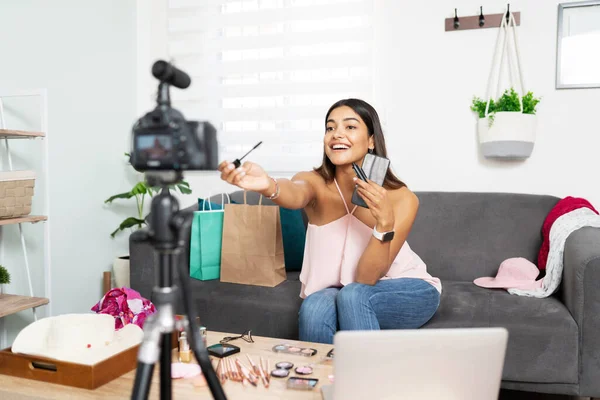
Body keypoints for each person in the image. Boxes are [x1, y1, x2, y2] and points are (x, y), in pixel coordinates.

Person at [218, 98, 441, 344]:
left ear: (371, 141)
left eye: (350, 127)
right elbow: (294, 191)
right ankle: (324, 381)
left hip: (408, 288)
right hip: (343, 291)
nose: (337, 134)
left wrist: (384, 224)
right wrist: (267, 185)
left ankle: (367, 380)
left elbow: (367, 279)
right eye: (330, 127)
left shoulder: (401, 198)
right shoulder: (314, 182)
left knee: (354, 294)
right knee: (315, 305)